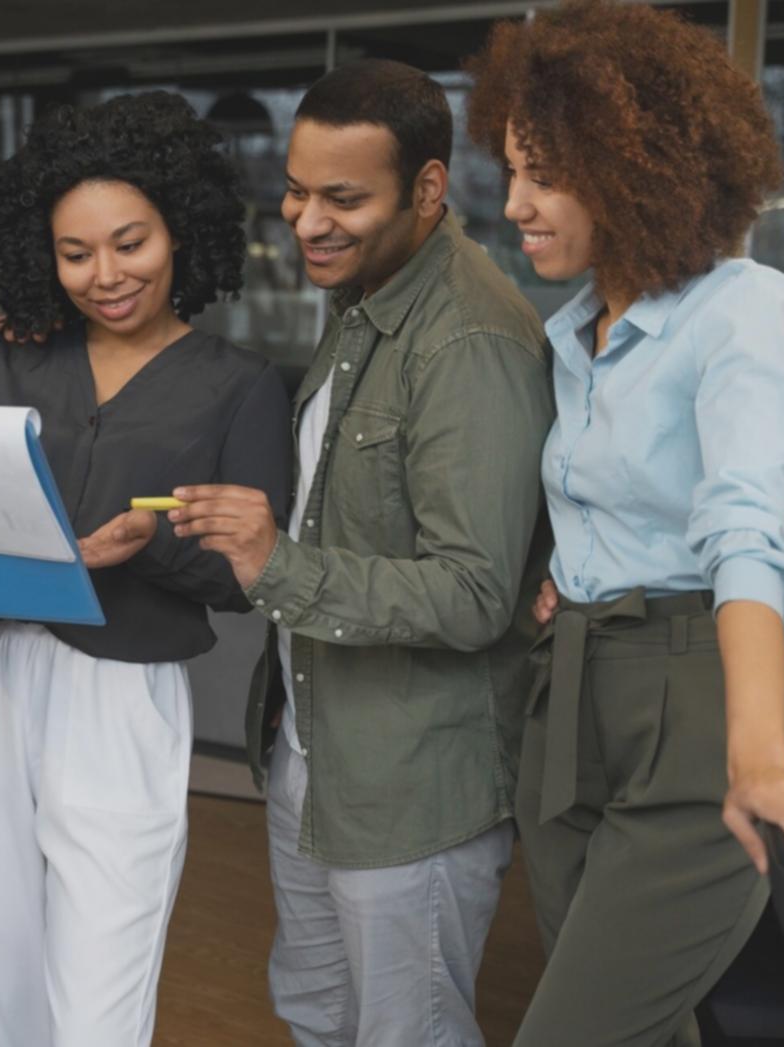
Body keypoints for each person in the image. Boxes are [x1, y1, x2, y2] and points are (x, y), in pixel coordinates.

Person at [0, 91, 292, 1046]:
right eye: (75, 253)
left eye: (130, 243)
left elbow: (245, 577)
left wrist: (153, 546)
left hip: (120, 695)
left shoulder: (240, 385)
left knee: (99, 999)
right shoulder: (10, 365)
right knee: (3, 988)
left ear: (179, 232)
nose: (105, 275)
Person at [170, 60, 553, 1046]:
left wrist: (277, 565)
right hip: (317, 751)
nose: (305, 221)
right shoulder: (361, 302)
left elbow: (472, 593)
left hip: (410, 787)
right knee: (316, 1011)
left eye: (342, 198)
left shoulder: (467, 342)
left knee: (403, 1033)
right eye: (295, 191)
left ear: (427, 190)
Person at [464, 3, 784, 1042]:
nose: (516, 205)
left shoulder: (740, 307)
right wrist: (567, 576)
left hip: (694, 706)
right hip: (568, 697)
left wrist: (755, 756)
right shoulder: (573, 329)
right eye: (511, 172)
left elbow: (745, 530)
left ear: (634, 168)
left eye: (545, 175)